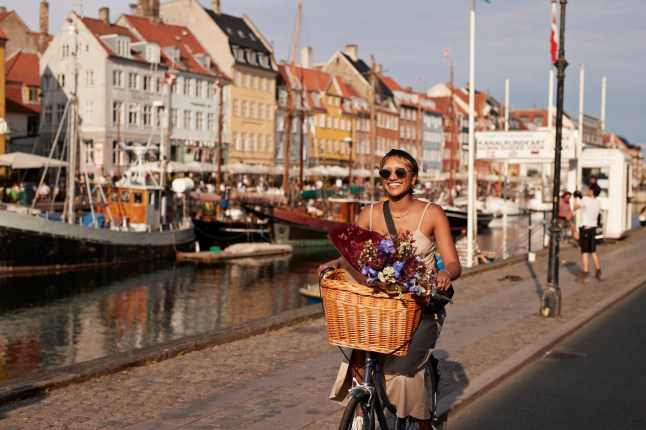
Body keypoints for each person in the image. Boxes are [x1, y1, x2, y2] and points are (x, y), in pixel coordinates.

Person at [318, 149, 461, 429]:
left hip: (416, 306)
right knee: (356, 345)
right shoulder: (369, 213)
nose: (392, 178)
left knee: (404, 369)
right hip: (377, 305)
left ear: (413, 177)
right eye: (386, 173)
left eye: (400, 172)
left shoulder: (432, 213)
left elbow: (454, 262)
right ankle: (360, 411)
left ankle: (423, 424)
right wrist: (331, 263)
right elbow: (350, 256)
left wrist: (444, 273)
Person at [573, 183, 602, 283]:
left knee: (584, 252)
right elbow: (587, 203)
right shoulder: (598, 203)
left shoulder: (585, 200)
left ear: (592, 191)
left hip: (585, 229)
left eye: (589, 189)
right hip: (593, 229)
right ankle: (598, 270)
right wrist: (581, 197)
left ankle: (585, 275)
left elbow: (575, 207)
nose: (588, 190)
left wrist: (575, 198)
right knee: (593, 251)